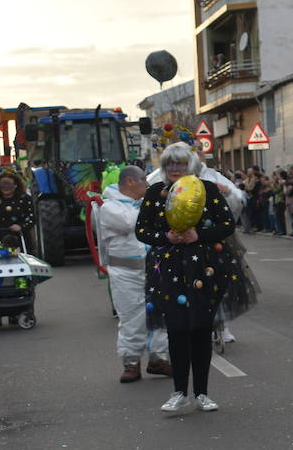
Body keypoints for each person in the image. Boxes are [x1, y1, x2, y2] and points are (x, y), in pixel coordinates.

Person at [136, 144, 237, 413]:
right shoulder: (155, 194)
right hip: (168, 270)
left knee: (201, 329)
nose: (174, 169)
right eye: (169, 164)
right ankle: (179, 391)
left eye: (179, 164)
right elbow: (141, 230)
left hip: (204, 269)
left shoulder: (207, 189)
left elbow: (227, 224)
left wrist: (199, 236)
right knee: (177, 329)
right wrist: (164, 237)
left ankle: (202, 393)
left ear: (189, 165)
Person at [98, 165, 171, 383]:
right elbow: (131, 222)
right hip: (125, 273)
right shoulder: (109, 207)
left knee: (161, 314)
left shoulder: (143, 204)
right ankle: (131, 363)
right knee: (131, 318)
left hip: (154, 270)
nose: (147, 185)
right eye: (143, 180)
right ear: (130, 182)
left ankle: (159, 359)